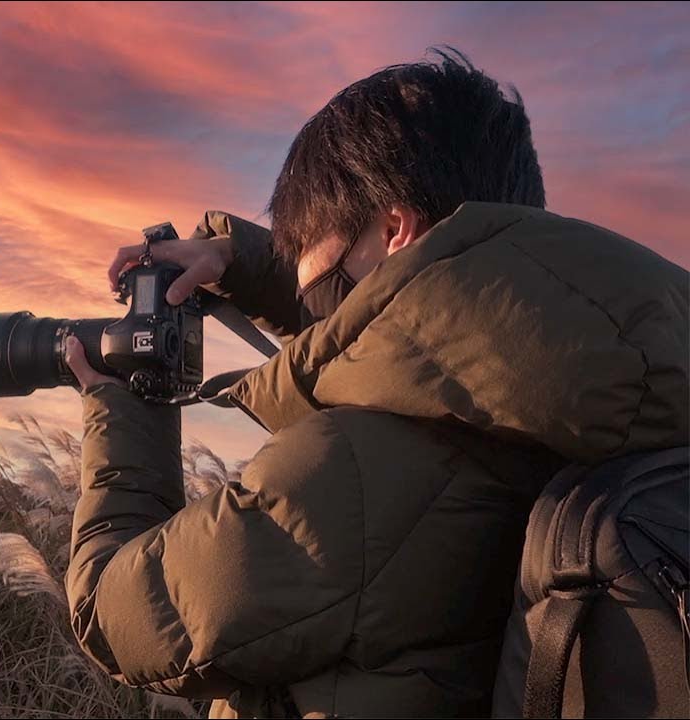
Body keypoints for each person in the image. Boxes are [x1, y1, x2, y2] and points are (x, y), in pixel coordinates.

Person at [60, 49, 689, 718]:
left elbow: (111, 615)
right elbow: (419, 325)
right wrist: (243, 263)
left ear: (393, 228)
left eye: (307, 244)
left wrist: (126, 403)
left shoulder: (351, 472)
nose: (305, 282)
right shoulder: (611, 385)